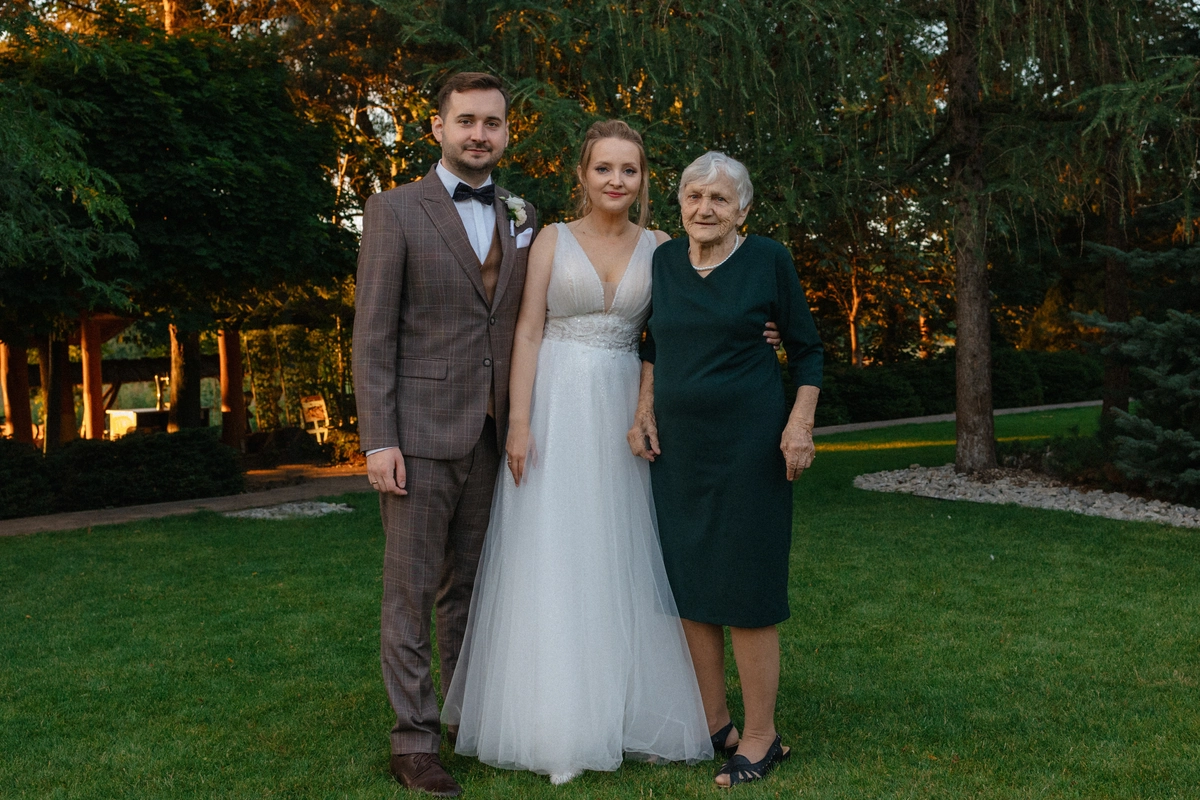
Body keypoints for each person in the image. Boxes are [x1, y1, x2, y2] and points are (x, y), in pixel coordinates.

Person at [442, 120, 719, 785]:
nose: (616, 181)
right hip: (556, 406)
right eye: (604, 168)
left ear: (643, 179)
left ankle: (630, 710)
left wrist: (762, 325)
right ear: (583, 176)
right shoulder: (550, 240)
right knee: (556, 551)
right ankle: (553, 718)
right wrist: (518, 423)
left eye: (629, 170)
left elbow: (691, 321)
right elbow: (527, 332)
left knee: (622, 549)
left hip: (625, 409)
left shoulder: (662, 247)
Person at [352, 72, 538, 798]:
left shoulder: (523, 213)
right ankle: (413, 741)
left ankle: (466, 718)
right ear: (436, 127)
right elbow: (372, 334)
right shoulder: (394, 210)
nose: (479, 134)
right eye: (466, 121)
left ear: (507, 132)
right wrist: (379, 440)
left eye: (492, 123)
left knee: (472, 590)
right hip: (419, 435)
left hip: (493, 433)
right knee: (410, 592)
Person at [629, 151, 824, 787]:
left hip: (750, 446)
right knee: (690, 582)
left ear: (743, 209)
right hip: (678, 451)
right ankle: (716, 723)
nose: (704, 209)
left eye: (719, 198)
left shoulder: (768, 259)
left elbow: (808, 351)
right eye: (694, 196)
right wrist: (644, 410)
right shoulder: (664, 261)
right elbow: (654, 343)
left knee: (747, 586)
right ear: (679, 204)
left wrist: (799, 425)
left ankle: (762, 736)